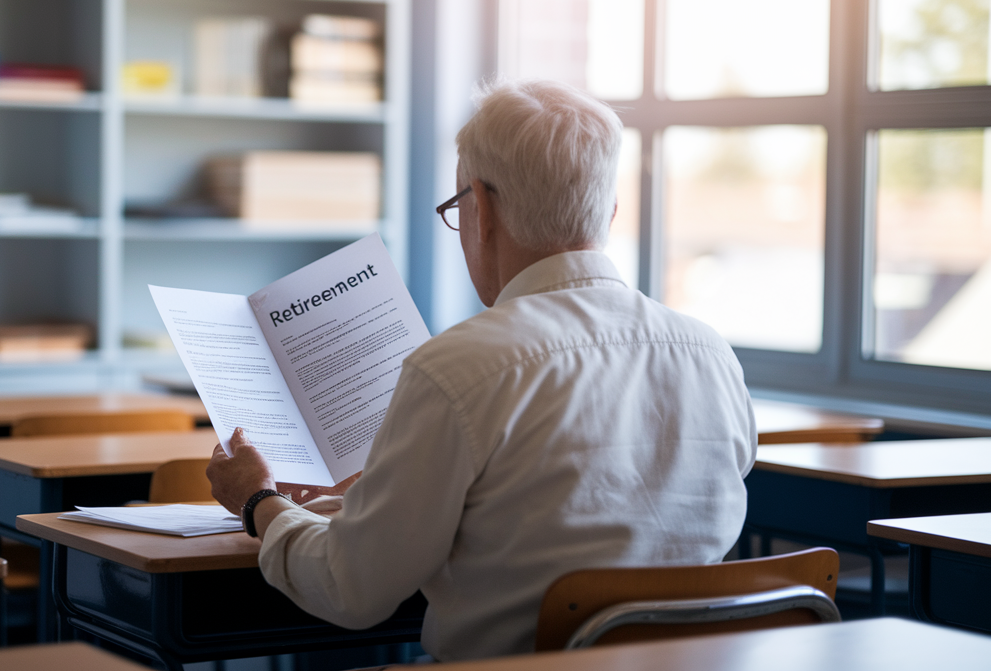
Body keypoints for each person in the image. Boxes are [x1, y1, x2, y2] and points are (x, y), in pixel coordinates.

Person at [206, 78, 757, 661]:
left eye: (456, 209)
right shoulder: (711, 355)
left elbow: (351, 588)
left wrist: (258, 502)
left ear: (482, 208)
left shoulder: (460, 369)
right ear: (611, 211)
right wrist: (373, 496)